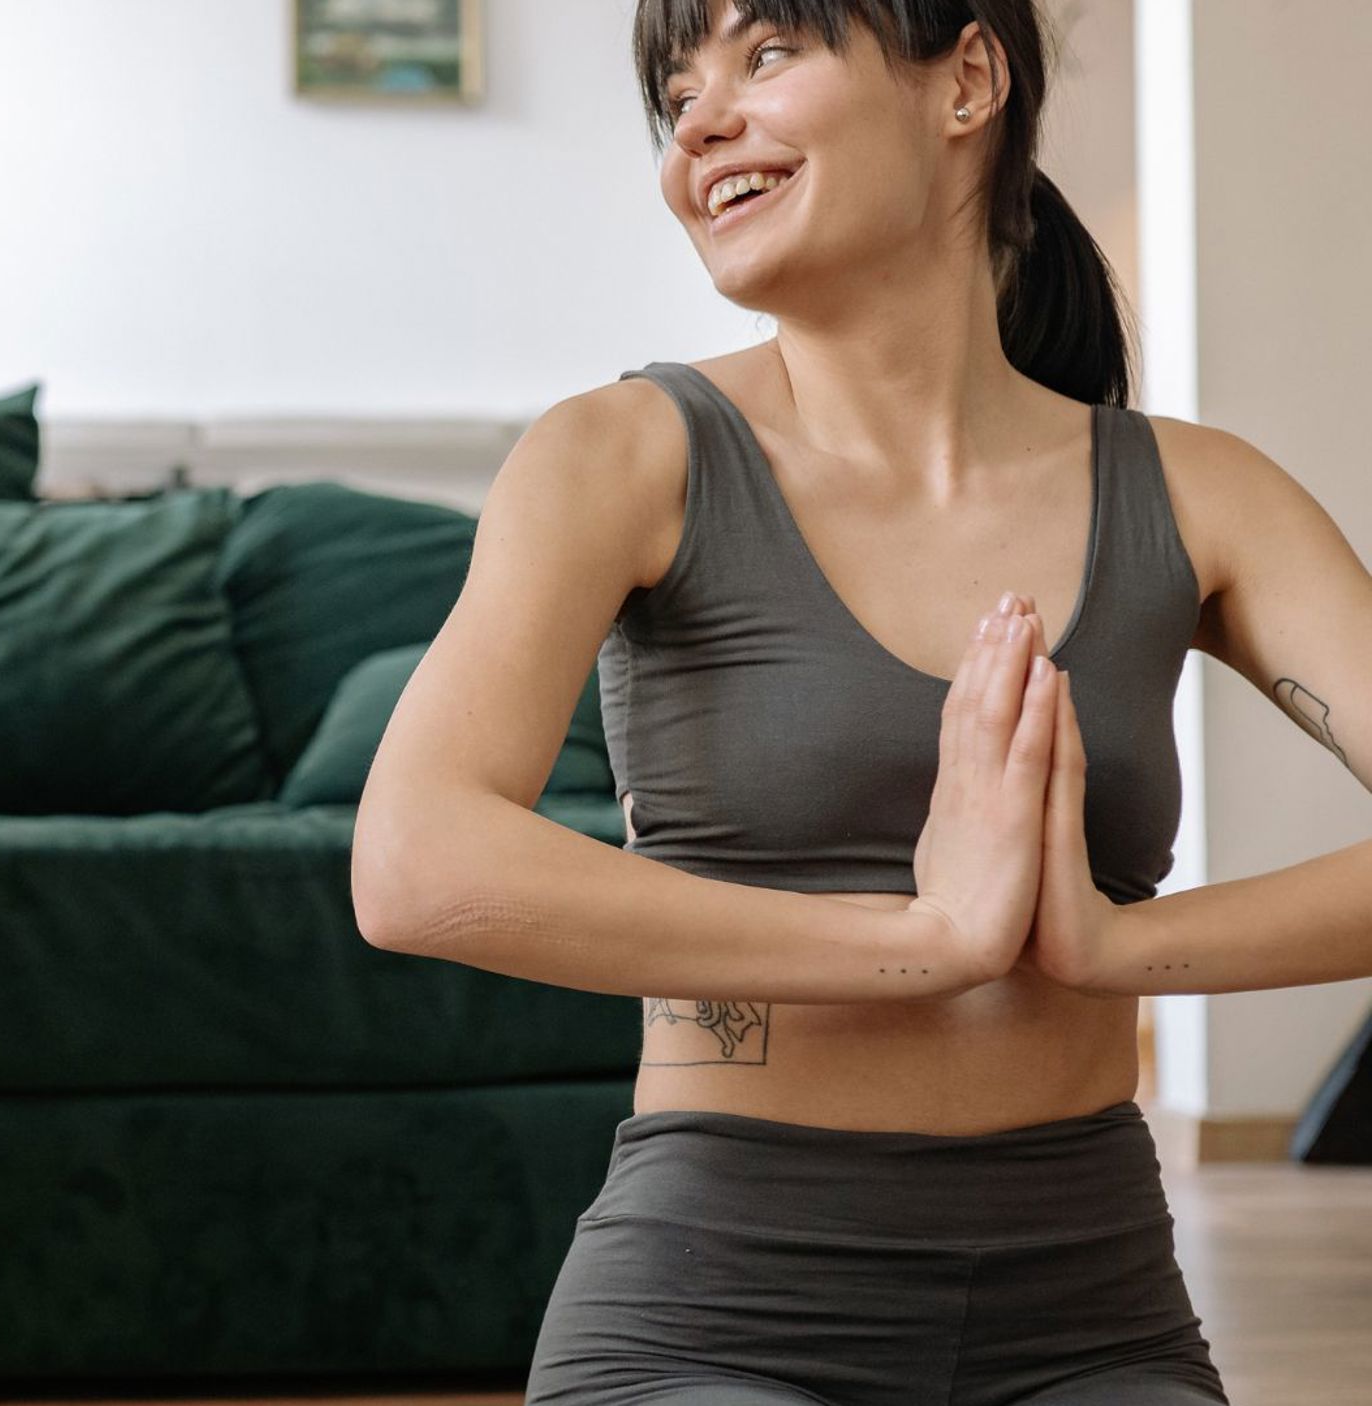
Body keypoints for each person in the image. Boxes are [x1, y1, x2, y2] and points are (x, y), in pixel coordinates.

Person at [355, 1, 1372, 1400]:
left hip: (1094, 1316)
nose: (698, 122)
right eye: (677, 86)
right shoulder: (619, 457)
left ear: (964, 82)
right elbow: (414, 864)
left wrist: (1108, 948)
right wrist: (926, 938)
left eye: (764, 53)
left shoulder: (1201, 494)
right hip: (714, 1310)